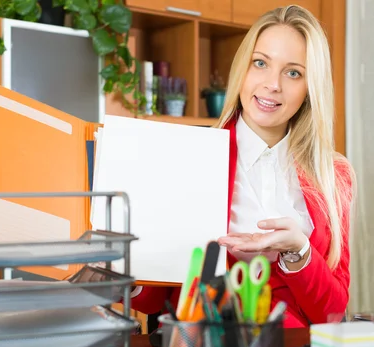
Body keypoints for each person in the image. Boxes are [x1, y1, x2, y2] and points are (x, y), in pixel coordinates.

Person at [130, 5, 355, 328]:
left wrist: (299, 250)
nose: (272, 84)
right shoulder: (189, 157)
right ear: (243, 69)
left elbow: (332, 312)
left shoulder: (334, 174)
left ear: (310, 88)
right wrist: (126, 269)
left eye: (293, 72)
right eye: (260, 63)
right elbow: (158, 299)